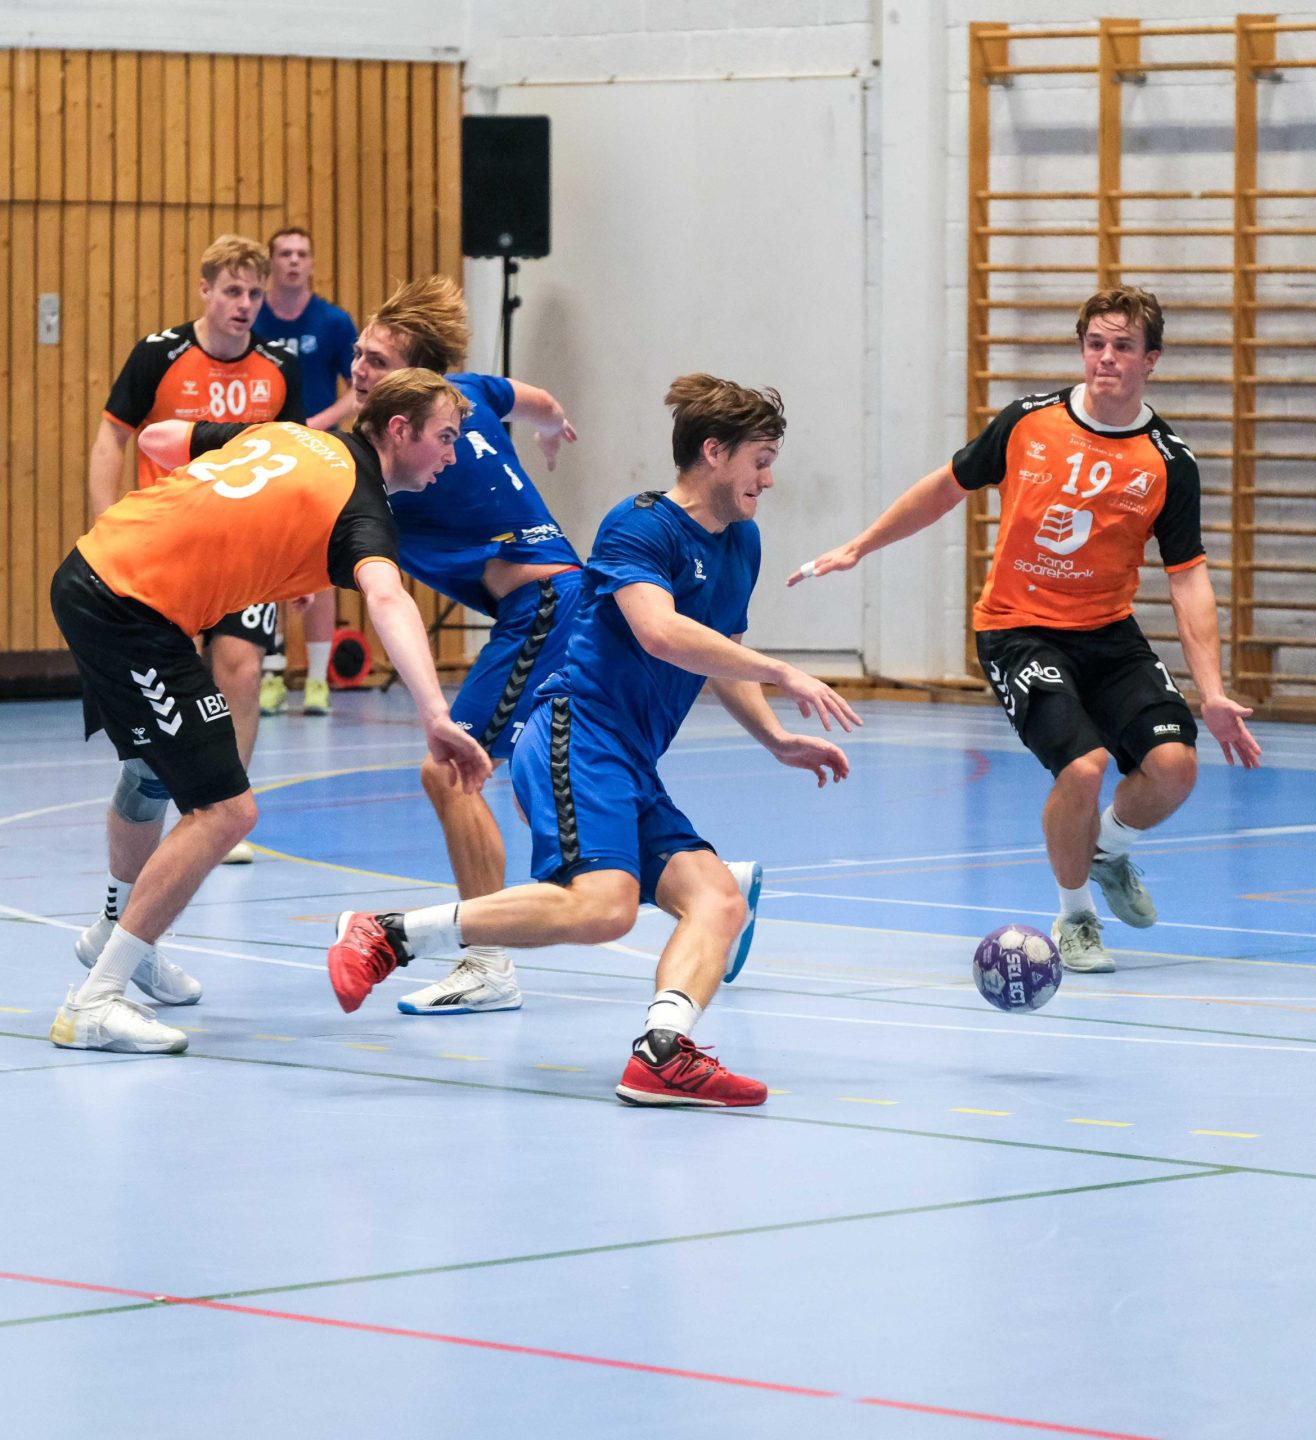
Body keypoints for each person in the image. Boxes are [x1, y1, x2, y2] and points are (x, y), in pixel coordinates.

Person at [327, 374, 859, 1107]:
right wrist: (784, 671)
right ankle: (388, 934)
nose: (768, 479)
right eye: (759, 461)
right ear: (714, 453)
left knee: (717, 900)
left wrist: (774, 737)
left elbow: (719, 650)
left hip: (629, 759)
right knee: (605, 906)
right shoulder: (638, 526)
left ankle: (662, 1052)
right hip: (576, 731)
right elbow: (659, 631)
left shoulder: (742, 541)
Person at [790, 285, 1261, 973]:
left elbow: (1188, 578)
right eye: (1095, 344)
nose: (1106, 358)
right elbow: (946, 486)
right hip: (1018, 630)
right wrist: (861, 545)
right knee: (1084, 766)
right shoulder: (1028, 422)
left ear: (1150, 360)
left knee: (1174, 767)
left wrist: (1212, 692)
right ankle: (1076, 918)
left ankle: (1108, 851)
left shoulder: (1167, 461)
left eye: (1122, 346)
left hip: (1107, 631)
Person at [51, 371, 489, 1055]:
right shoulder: (362, 508)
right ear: (399, 431)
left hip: (98, 565)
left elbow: (163, 438)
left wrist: (237, 524)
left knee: (151, 773)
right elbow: (387, 598)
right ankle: (95, 1002)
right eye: (446, 437)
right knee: (227, 811)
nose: (452, 456)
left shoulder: (291, 436)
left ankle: (119, 935)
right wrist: (436, 713)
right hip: (131, 606)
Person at [338, 275, 587, 1016]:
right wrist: (552, 427)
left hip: (543, 607)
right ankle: (714, 885)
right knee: (559, 789)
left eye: (378, 362)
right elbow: (536, 399)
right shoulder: (470, 392)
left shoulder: (399, 452)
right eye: (359, 353)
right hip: (561, 601)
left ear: (418, 385)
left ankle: (486, 963)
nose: (359, 369)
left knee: (449, 772)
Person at [88, 233, 305, 866]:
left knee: (241, 667)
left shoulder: (279, 368)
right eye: (232, 291)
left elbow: (296, 463)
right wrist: (107, 524)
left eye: (255, 294)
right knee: (179, 675)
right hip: (169, 545)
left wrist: (300, 562)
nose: (244, 304)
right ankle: (176, 802)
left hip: (246, 546)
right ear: (205, 290)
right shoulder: (160, 354)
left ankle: (223, 810)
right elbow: (111, 439)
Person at [253, 226, 361, 718]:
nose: (294, 261)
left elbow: (361, 389)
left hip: (319, 454)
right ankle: (272, 674)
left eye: (302, 253)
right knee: (269, 563)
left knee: (319, 566)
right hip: (265, 454)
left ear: (312, 263)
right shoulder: (254, 318)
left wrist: (318, 422)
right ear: (271, 263)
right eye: (285, 253)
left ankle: (317, 680)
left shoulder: (333, 322)